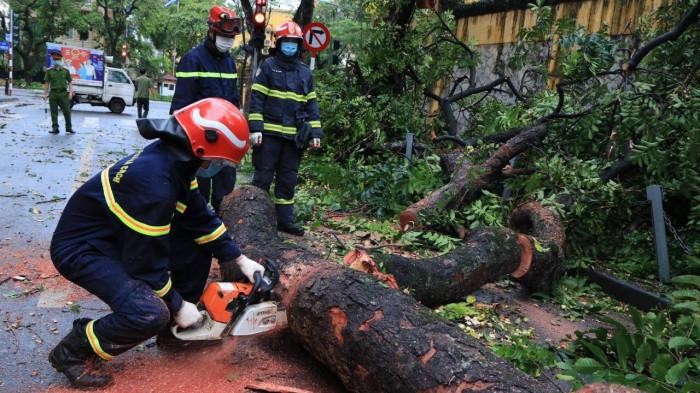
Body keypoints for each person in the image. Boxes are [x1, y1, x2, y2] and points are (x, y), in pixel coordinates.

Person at [48, 97, 265, 389]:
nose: (216, 166)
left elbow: (200, 218)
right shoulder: (154, 185)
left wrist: (239, 259)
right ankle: (72, 351)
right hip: (82, 249)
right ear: (202, 147)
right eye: (218, 160)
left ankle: (174, 332)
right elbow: (146, 266)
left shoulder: (177, 163)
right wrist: (176, 305)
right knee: (148, 312)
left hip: (116, 237)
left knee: (196, 242)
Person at [249, 21, 323, 236]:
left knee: (287, 180)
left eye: (293, 42)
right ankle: (255, 220)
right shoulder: (268, 67)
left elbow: (312, 105)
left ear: (299, 45)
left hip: (293, 140)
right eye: (286, 42)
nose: (290, 46)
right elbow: (257, 100)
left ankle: (285, 221)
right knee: (262, 178)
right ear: (279, 43)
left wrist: (315, 134)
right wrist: (255, 129)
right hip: (269, 137)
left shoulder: (305, 73)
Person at [170, 5, 242, 214]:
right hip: (199, 140)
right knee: (196, 196)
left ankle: (220, 234)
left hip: (225, 139)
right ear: (211, 31)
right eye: (222, 35)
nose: (227, 40)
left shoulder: (230, 62)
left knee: (225, 192)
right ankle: (194, 237)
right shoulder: (193, 60)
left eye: (230, 37)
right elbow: (182, 105)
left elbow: (233, 100)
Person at [43, 49, 74, 134]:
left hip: (63, 94)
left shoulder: (65, 71)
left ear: (61, 59)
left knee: (67, 112)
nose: (56, 60)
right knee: (54, 112)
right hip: (53, 93)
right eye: (54, 59)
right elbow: (47, 83)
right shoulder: (49, 71)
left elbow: (70, 82)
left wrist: (71, 92)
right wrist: (45, 94)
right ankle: (55, 128)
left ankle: (69, 128)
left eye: (57, 59)